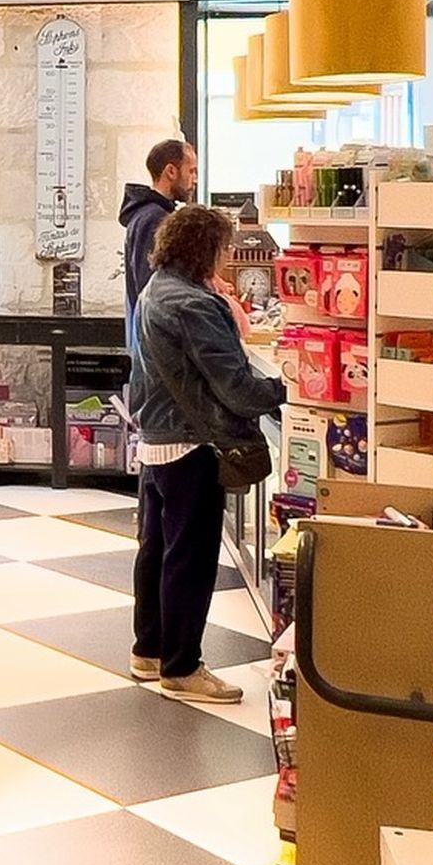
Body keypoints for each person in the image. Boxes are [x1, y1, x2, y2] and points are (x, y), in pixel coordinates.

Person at [129, 205, 284, 704]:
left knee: (157, 550)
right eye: (224, 246)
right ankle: (182, 667)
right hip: (193, 443)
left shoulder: (157, 290)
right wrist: (287, 386)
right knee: (191, 559)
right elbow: (235, 387)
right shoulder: (195, 304)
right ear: (206, 249)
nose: (228, 255)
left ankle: (150, 650)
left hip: (158, 438)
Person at [120, 139, 198, 327]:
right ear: (171, 171)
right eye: (191, 171)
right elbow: (151, 289)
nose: (195, 179)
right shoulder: (153, 218)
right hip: (155, 332)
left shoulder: (152, 214)